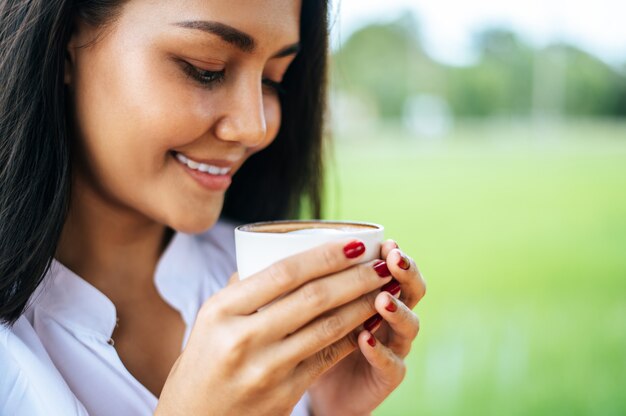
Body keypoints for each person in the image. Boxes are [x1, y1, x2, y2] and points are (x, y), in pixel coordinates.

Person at [0, 0, 426, 415]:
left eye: (273, 80)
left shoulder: (257, 283)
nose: (255, 128)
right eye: (207, 70)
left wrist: (324, 410)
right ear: (64, 45)